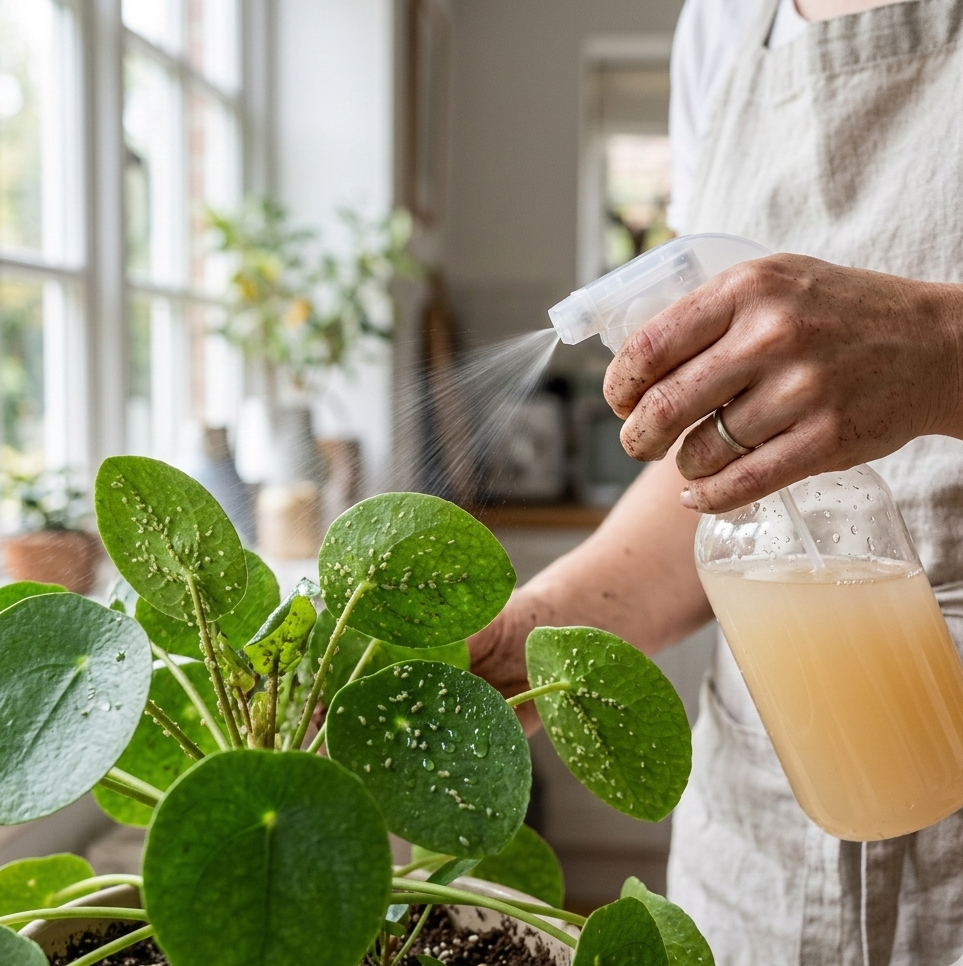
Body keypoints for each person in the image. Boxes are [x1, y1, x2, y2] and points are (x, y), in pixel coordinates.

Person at [468, 0, 963, 963]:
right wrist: (536, 633)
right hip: (760, 856)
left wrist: (939, 350)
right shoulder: (723, 25)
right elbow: (729, 473)